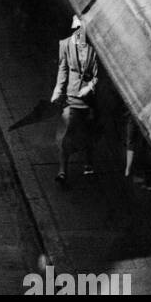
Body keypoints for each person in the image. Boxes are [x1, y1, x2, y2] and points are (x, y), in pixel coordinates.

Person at [51, 14, 99, 187]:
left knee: (87, 135)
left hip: (88, 101)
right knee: (64, 136)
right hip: (71, 99)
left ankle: (88, 163)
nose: (79, 33)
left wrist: (90, 87)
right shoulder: (65, 45)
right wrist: (58, 91)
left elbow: (96, 75)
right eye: (77, 30)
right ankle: (62, 171)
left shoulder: (92, 50)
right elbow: (62, 70)